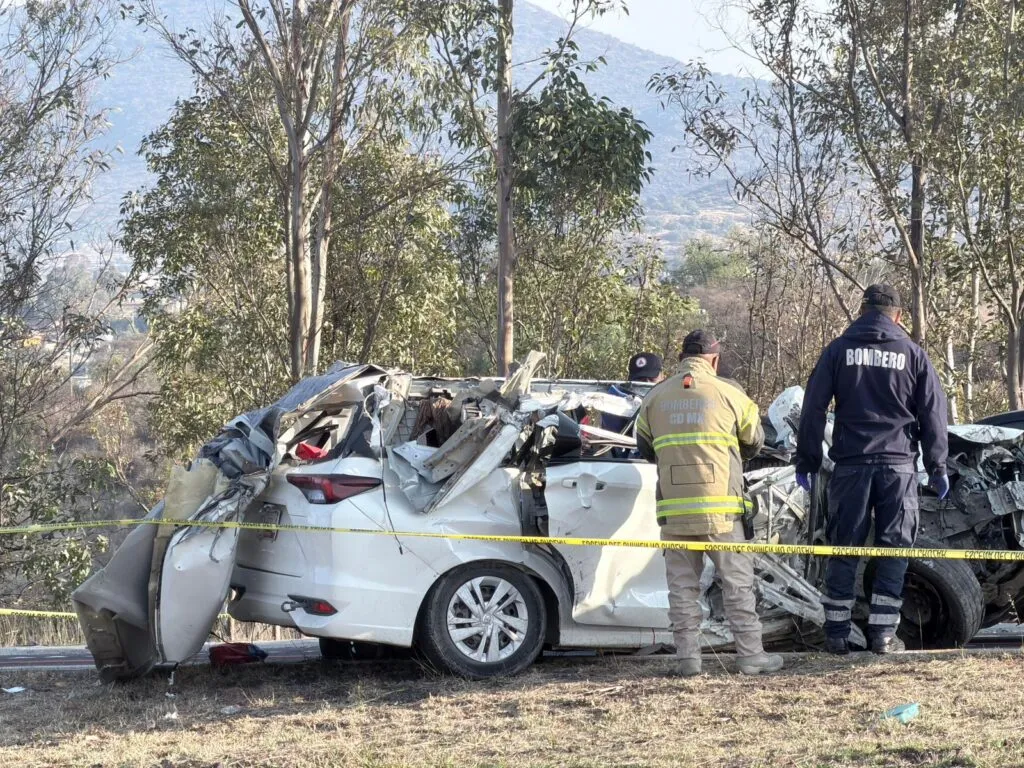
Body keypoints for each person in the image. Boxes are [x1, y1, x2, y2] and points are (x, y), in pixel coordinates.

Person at [795, 284, 949, 655]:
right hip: (898, 467)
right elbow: (933, 413)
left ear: (861, 311)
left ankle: (836, 634)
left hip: (852, 465)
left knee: (843, 545)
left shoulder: (838, 351)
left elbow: (813, 408)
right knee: (894, 548)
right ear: (898, 316)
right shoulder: (913, 354)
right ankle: (882, 635)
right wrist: (937, 465)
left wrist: (808, 461)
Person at [636, 330, 783, 676]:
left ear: (681, 358)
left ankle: (688, 660)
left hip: (675, 515)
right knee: (737, 585)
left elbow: (645, 448)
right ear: (714, 359)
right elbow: (755, 442)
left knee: (682, 590)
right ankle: (750, 656)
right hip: (722, 514)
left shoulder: (654, 397)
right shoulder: (731, 393)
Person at [602, 352, 665, 435]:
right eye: (641, 380)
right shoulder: (616, 406)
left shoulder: (673, 401)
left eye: (652, 378)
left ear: (662, 376)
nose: (647, 383)